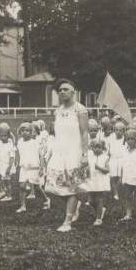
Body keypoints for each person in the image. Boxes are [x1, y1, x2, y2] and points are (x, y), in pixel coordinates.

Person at [44, 78, 90, 233]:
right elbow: (57, 133)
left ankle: (68, 221)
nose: (62, 92)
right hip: (59, 152)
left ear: (73, 91)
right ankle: (74, 206)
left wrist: (84, 153)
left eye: (65, 89)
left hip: (74, 152)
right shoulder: (58, 110)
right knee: (54, 187)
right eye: (60, 90)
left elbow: (84, 133)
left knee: (72, 187)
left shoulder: (80, 109)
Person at [84, 139, 111, 226]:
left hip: (100, 181)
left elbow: (107, 170)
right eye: (95, 147)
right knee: (91, 201)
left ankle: (98, 218)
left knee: (99, 199)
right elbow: (86, 168)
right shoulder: (89, 157)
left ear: (103, 148)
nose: (97, 149)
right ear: (92, 148)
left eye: (99, 147)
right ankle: (100, 210)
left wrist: (98, 167)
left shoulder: (105, 158)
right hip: (91, 180)